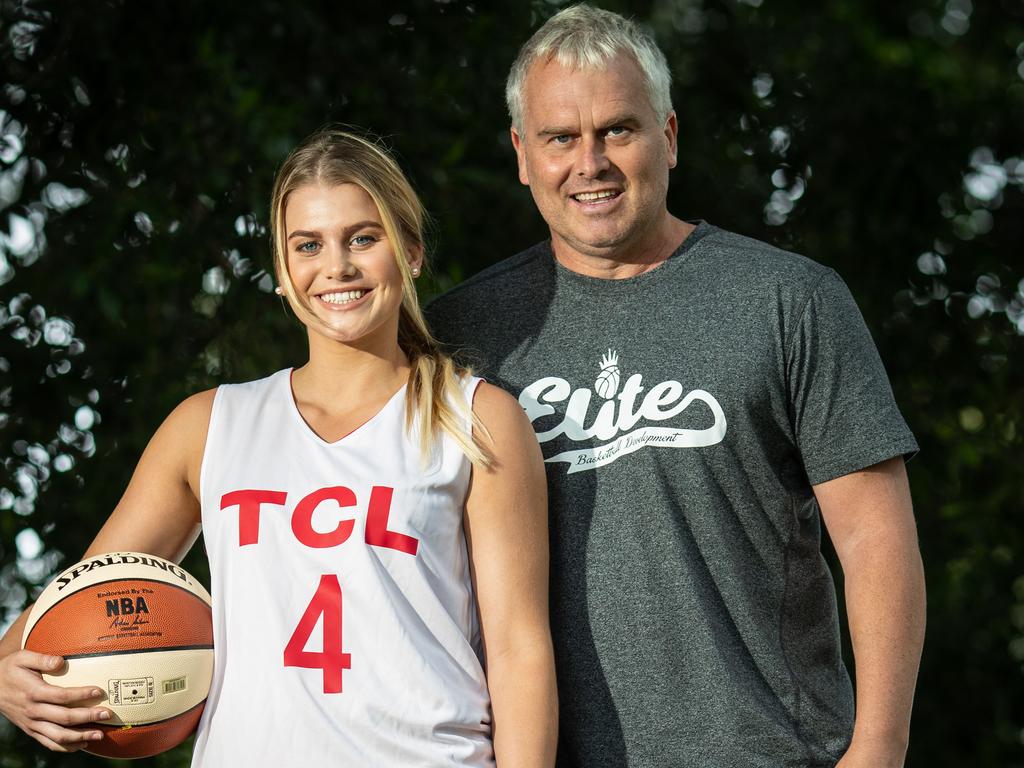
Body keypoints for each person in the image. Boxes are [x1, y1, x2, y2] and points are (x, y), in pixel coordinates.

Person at [426, 6, 925, 768]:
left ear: (669, 135)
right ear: (523, 154)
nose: (588, 162)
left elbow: (876, 542)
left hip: (769, 751)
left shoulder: (788, 301)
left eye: (617, 130)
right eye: (561, 138)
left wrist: (880, 747)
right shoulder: (463, 335)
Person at [0, 128, 558, 767]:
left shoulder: (477, 418)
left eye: (363, 238)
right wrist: (9, 679)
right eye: (309, 245)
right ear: (283, 270)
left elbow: (520, 650)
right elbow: (75, 603)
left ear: (410, 252)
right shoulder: (209, 426)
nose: (337, 267)